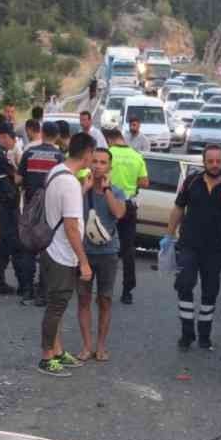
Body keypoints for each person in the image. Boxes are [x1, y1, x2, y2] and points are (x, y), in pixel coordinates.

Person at [165, 143, 221, 351]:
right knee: (184, 285)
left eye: (218, 161)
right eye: (210, 161)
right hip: (189, 245)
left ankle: (204, 336)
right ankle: (187, 334)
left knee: (210, 292)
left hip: (214, 249)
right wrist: (168, 235)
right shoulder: (191, 182)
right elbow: (178, 208)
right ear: (203, 162)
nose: (214, 165)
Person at [38, 132, 93, 377]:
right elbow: (71, 227)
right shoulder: (69, 183)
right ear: (87, 154)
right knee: (56, 307)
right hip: (61, 253)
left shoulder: (56, 172)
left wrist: (83, 189)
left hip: (50, 248)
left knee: (57, 306)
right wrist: (84, 262)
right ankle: (46, 357)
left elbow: (62, 208)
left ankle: (58, 351)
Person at [77, 145, 126, 361]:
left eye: (103, 162)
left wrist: (106, 190)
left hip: (108, 252)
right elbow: (69, 210)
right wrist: (84, 189)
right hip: (84, 252)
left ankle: (101, 346)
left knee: (105, 299)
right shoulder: (81, 187)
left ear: (109, 167)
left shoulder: (116, 191)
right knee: (83, 299)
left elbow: (119, 213)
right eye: (94, 161)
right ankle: (87, 346)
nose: (97, 166)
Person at [20, 120, 64, 305]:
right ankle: (43, 293)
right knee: (47, 248)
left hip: (31, 206)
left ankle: (27, 290)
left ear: (42, 133)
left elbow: (18, 179)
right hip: (50, 209)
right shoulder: (59, 156)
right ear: (57, 136)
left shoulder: (29, 153)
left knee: (29, 247)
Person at [0, 122, 34, 299]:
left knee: (3, 246)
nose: (14, 141)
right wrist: (15, 192)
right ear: (2, 137)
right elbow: (7, 185)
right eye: (12, 138)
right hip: (7, 208)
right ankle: (24, 285)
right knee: (16, 246)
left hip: (4, 207)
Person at [105, 127, 149, 304]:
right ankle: (127, 292)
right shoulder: (136, 156)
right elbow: (144, 182)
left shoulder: (108, 154)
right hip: (129, 206)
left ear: (109, 140)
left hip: (108, 204)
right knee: (128, 249)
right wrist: (131, 184)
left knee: (103, 244)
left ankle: (103, 288)